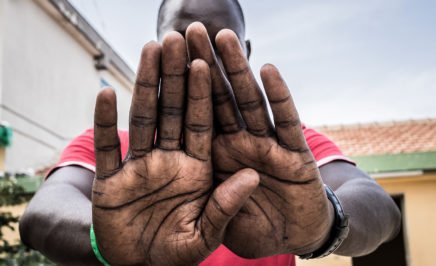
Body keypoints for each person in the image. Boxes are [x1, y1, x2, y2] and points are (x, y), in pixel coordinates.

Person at [19, 0, 401, 265]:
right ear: (158, 50)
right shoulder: (114, 152)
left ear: (245, 52)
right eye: (183, 41)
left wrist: (325, 224)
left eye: (221, 42)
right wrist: (107, 240)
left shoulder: (286, 151)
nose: (201, 58)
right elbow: (41, 214)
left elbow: (379, 207)